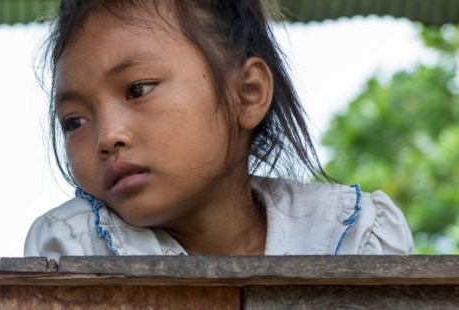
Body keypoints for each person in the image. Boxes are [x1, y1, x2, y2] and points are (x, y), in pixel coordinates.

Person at [24, 0, 413, 260]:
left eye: (137, 89)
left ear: (247, 93)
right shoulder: (77, 248)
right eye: (74, 121)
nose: (107, 137)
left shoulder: (352, 236)